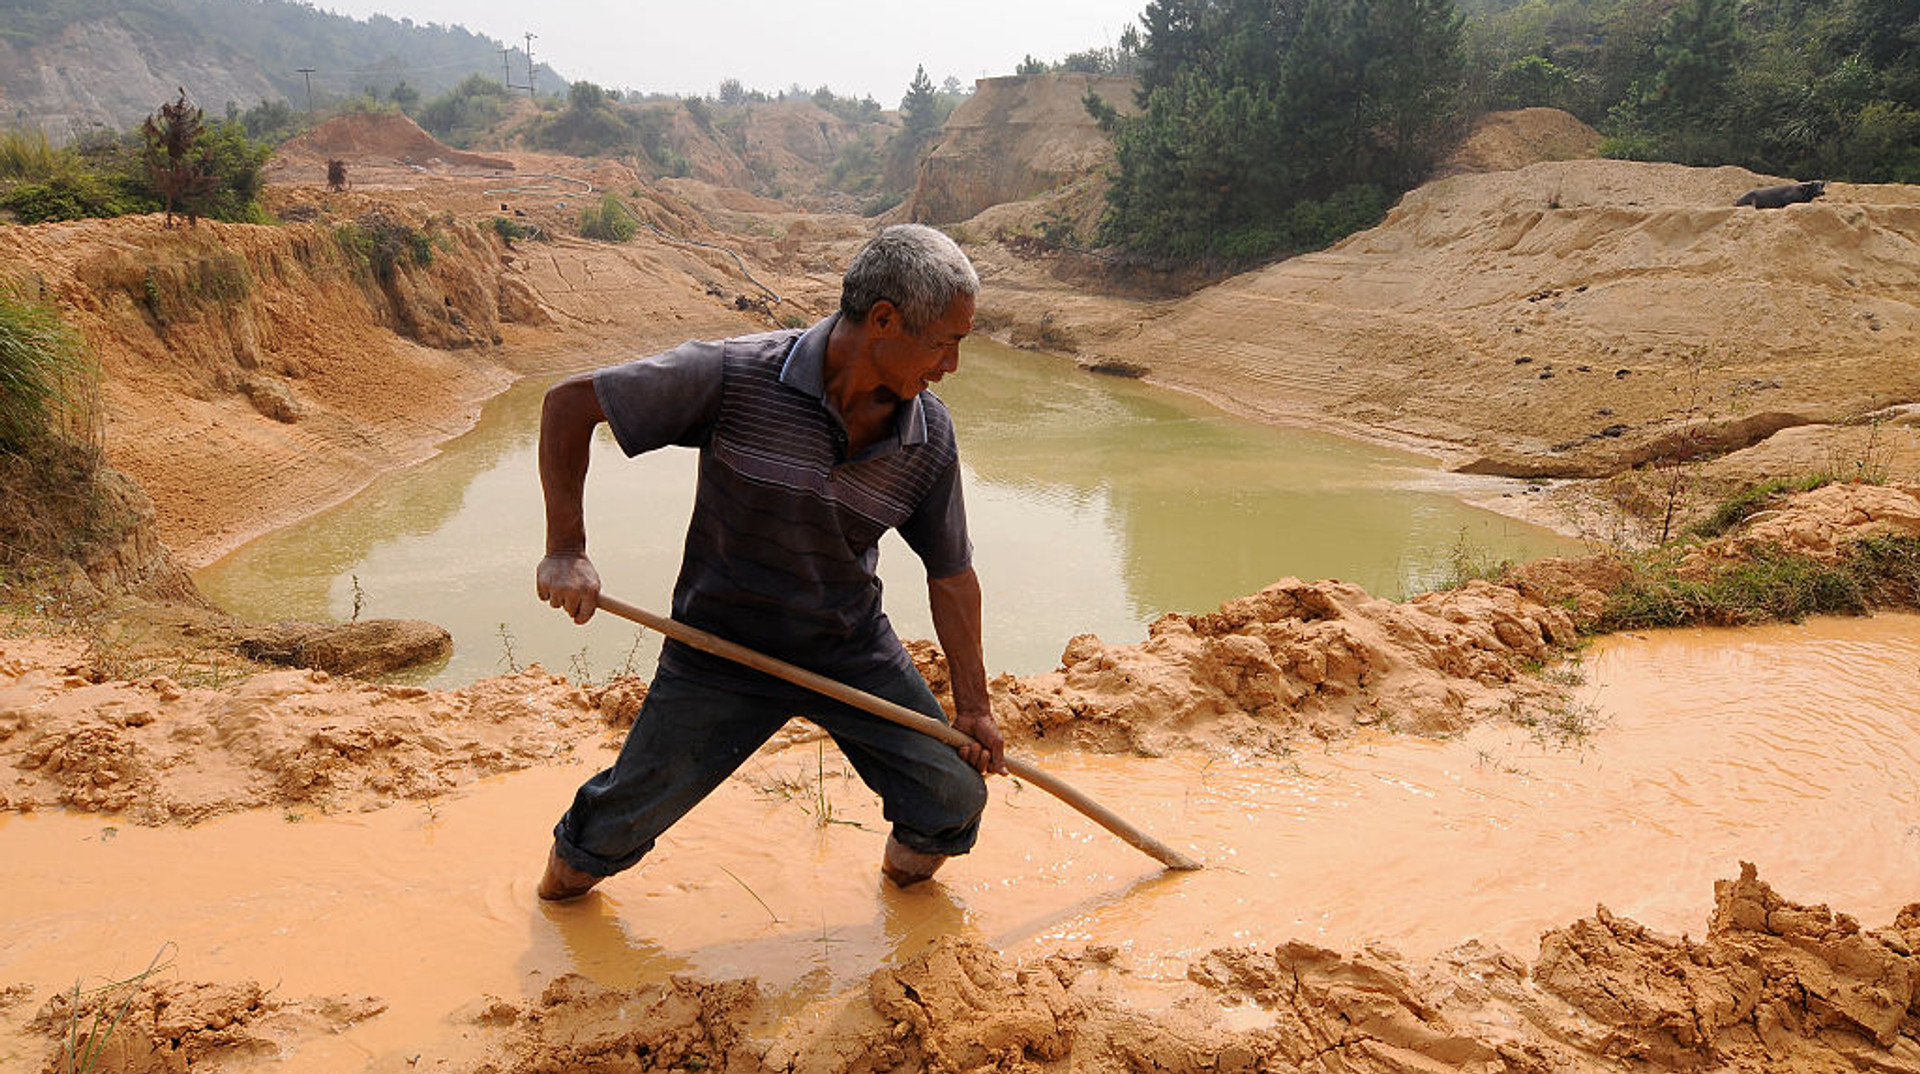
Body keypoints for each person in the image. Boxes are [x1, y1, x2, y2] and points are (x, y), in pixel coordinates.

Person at [534, 224, 1007, 901]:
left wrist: (975, 706)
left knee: (952, 796)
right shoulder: (735, 375)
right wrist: (565, 549)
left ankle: (900, 902)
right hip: (719, 647)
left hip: (848, 647)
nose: (951, 366)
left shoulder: (927, 435)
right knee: (600, 840)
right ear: (883, 320)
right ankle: (552, 908)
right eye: (945, 342)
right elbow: (570, 404)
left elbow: (952, 574)